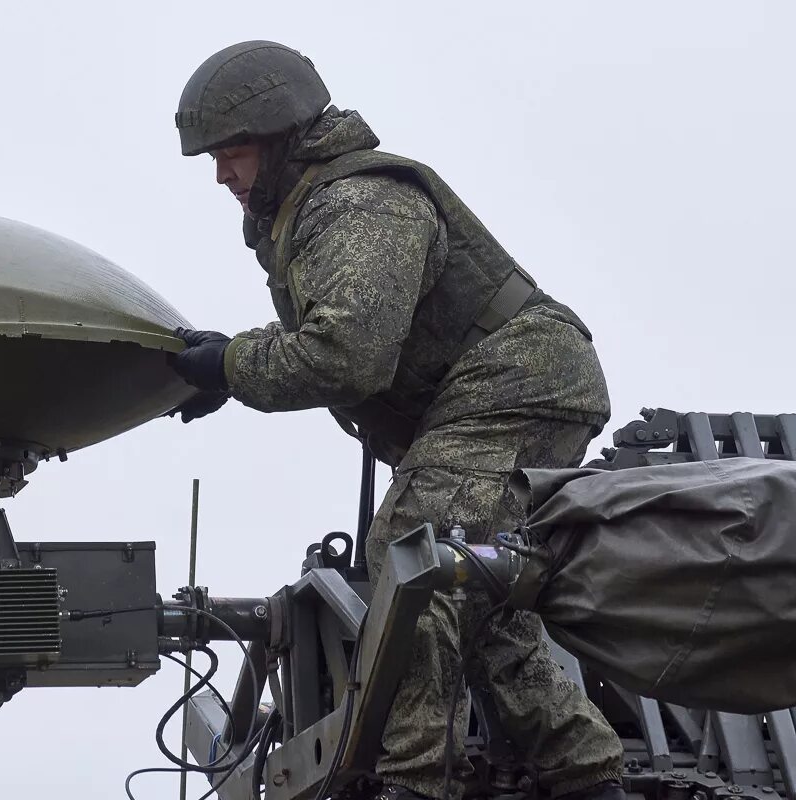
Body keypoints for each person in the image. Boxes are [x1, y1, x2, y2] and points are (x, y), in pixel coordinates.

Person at [167, 40, 626, 800]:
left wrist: (232, 366)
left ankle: (415, 783)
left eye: (234, 151)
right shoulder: (305, 210)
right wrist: (230, 370)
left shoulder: (358, 202)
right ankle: (587, 777)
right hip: (501, 390)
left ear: (281, 137)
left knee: (410, 560)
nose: (222, 174)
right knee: (477, 601)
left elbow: (346, 356)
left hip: (515, 383)